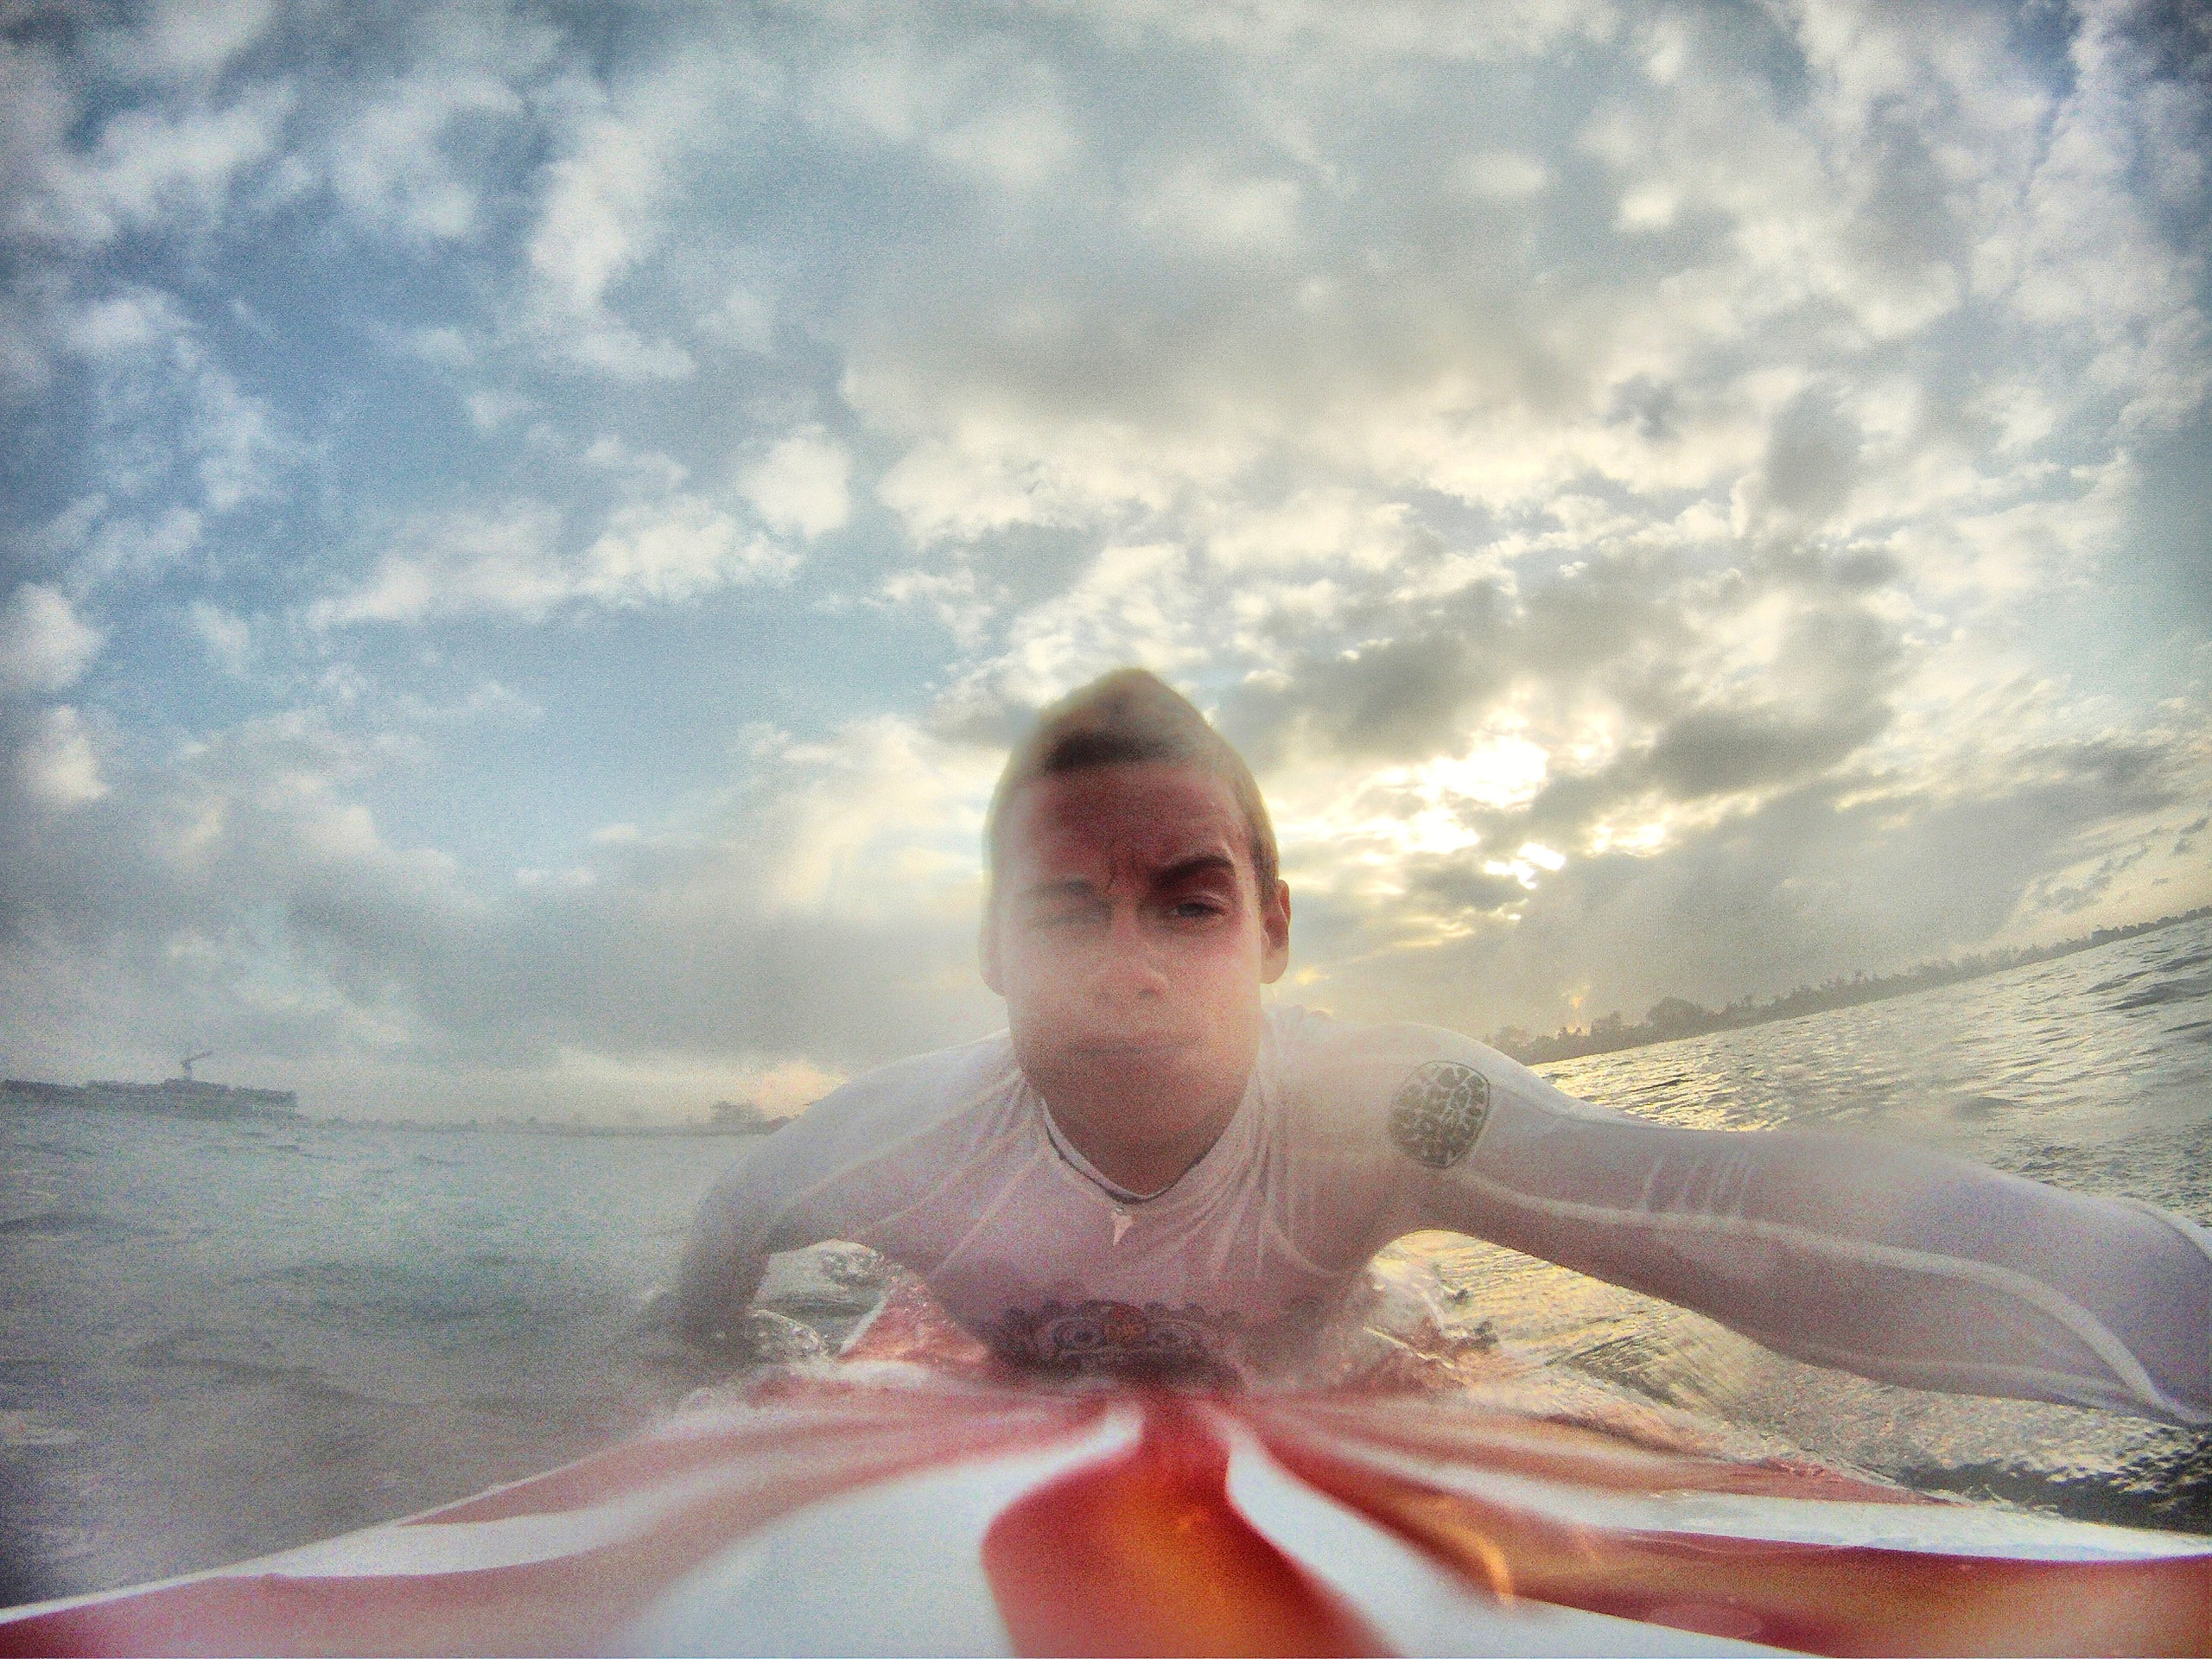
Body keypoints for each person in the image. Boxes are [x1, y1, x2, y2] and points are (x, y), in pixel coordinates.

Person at [677, 669, 2212, 1416]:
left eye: (1190, 905)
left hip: (1344, 1363)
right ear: (991, 951)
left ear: (1273, 933)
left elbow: (1724, 1209)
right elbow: (726, 1229)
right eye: (1067, 912)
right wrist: (688, 1372)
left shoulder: (1381, 1113)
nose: (1129, 969)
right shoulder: (894, 1147)